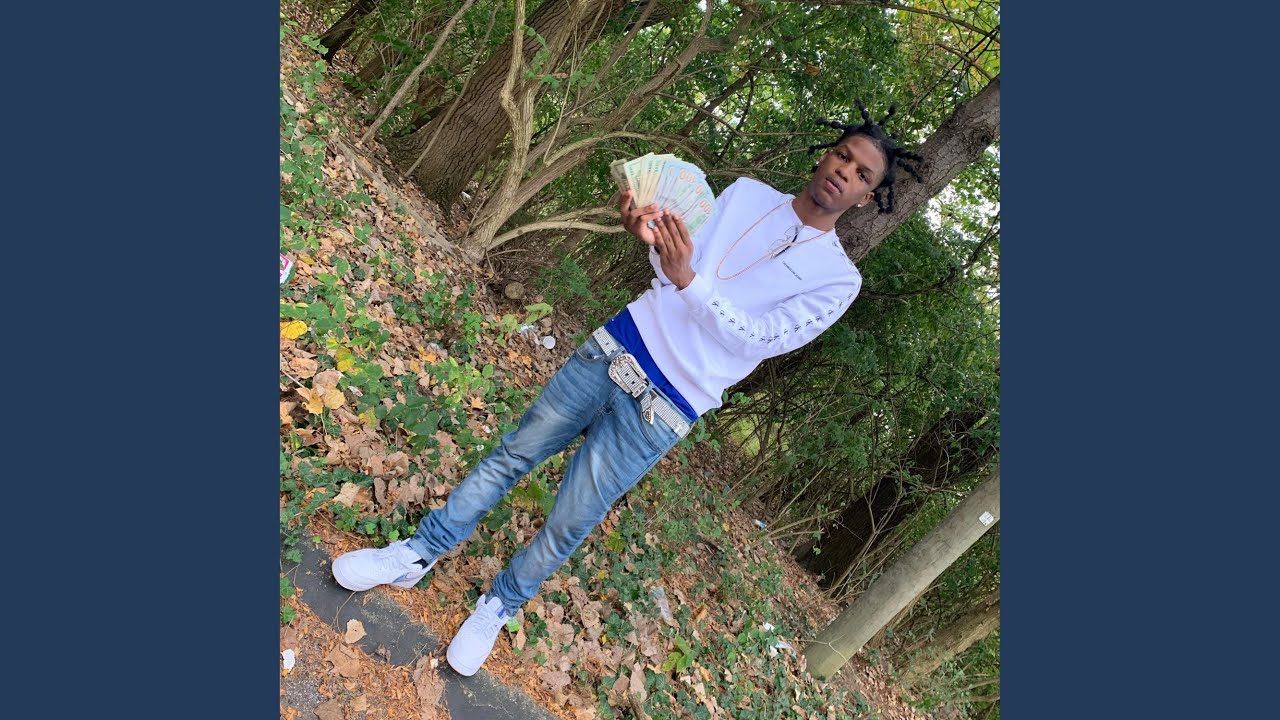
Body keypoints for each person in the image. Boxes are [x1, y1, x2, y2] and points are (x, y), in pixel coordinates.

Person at [330, 101, 923, 676]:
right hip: (619, 345)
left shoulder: (837, 279)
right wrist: (651, 239)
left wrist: (689, 280)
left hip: (670, 404)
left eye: (861, 174)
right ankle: (417, 553)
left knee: (571, 518)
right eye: (843, 156)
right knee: (513, 454)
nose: (845, 171)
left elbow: (760, 340)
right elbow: (671, 268)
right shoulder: (745, 194)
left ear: (866, 197)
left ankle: (499, 605)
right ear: (825, 155)